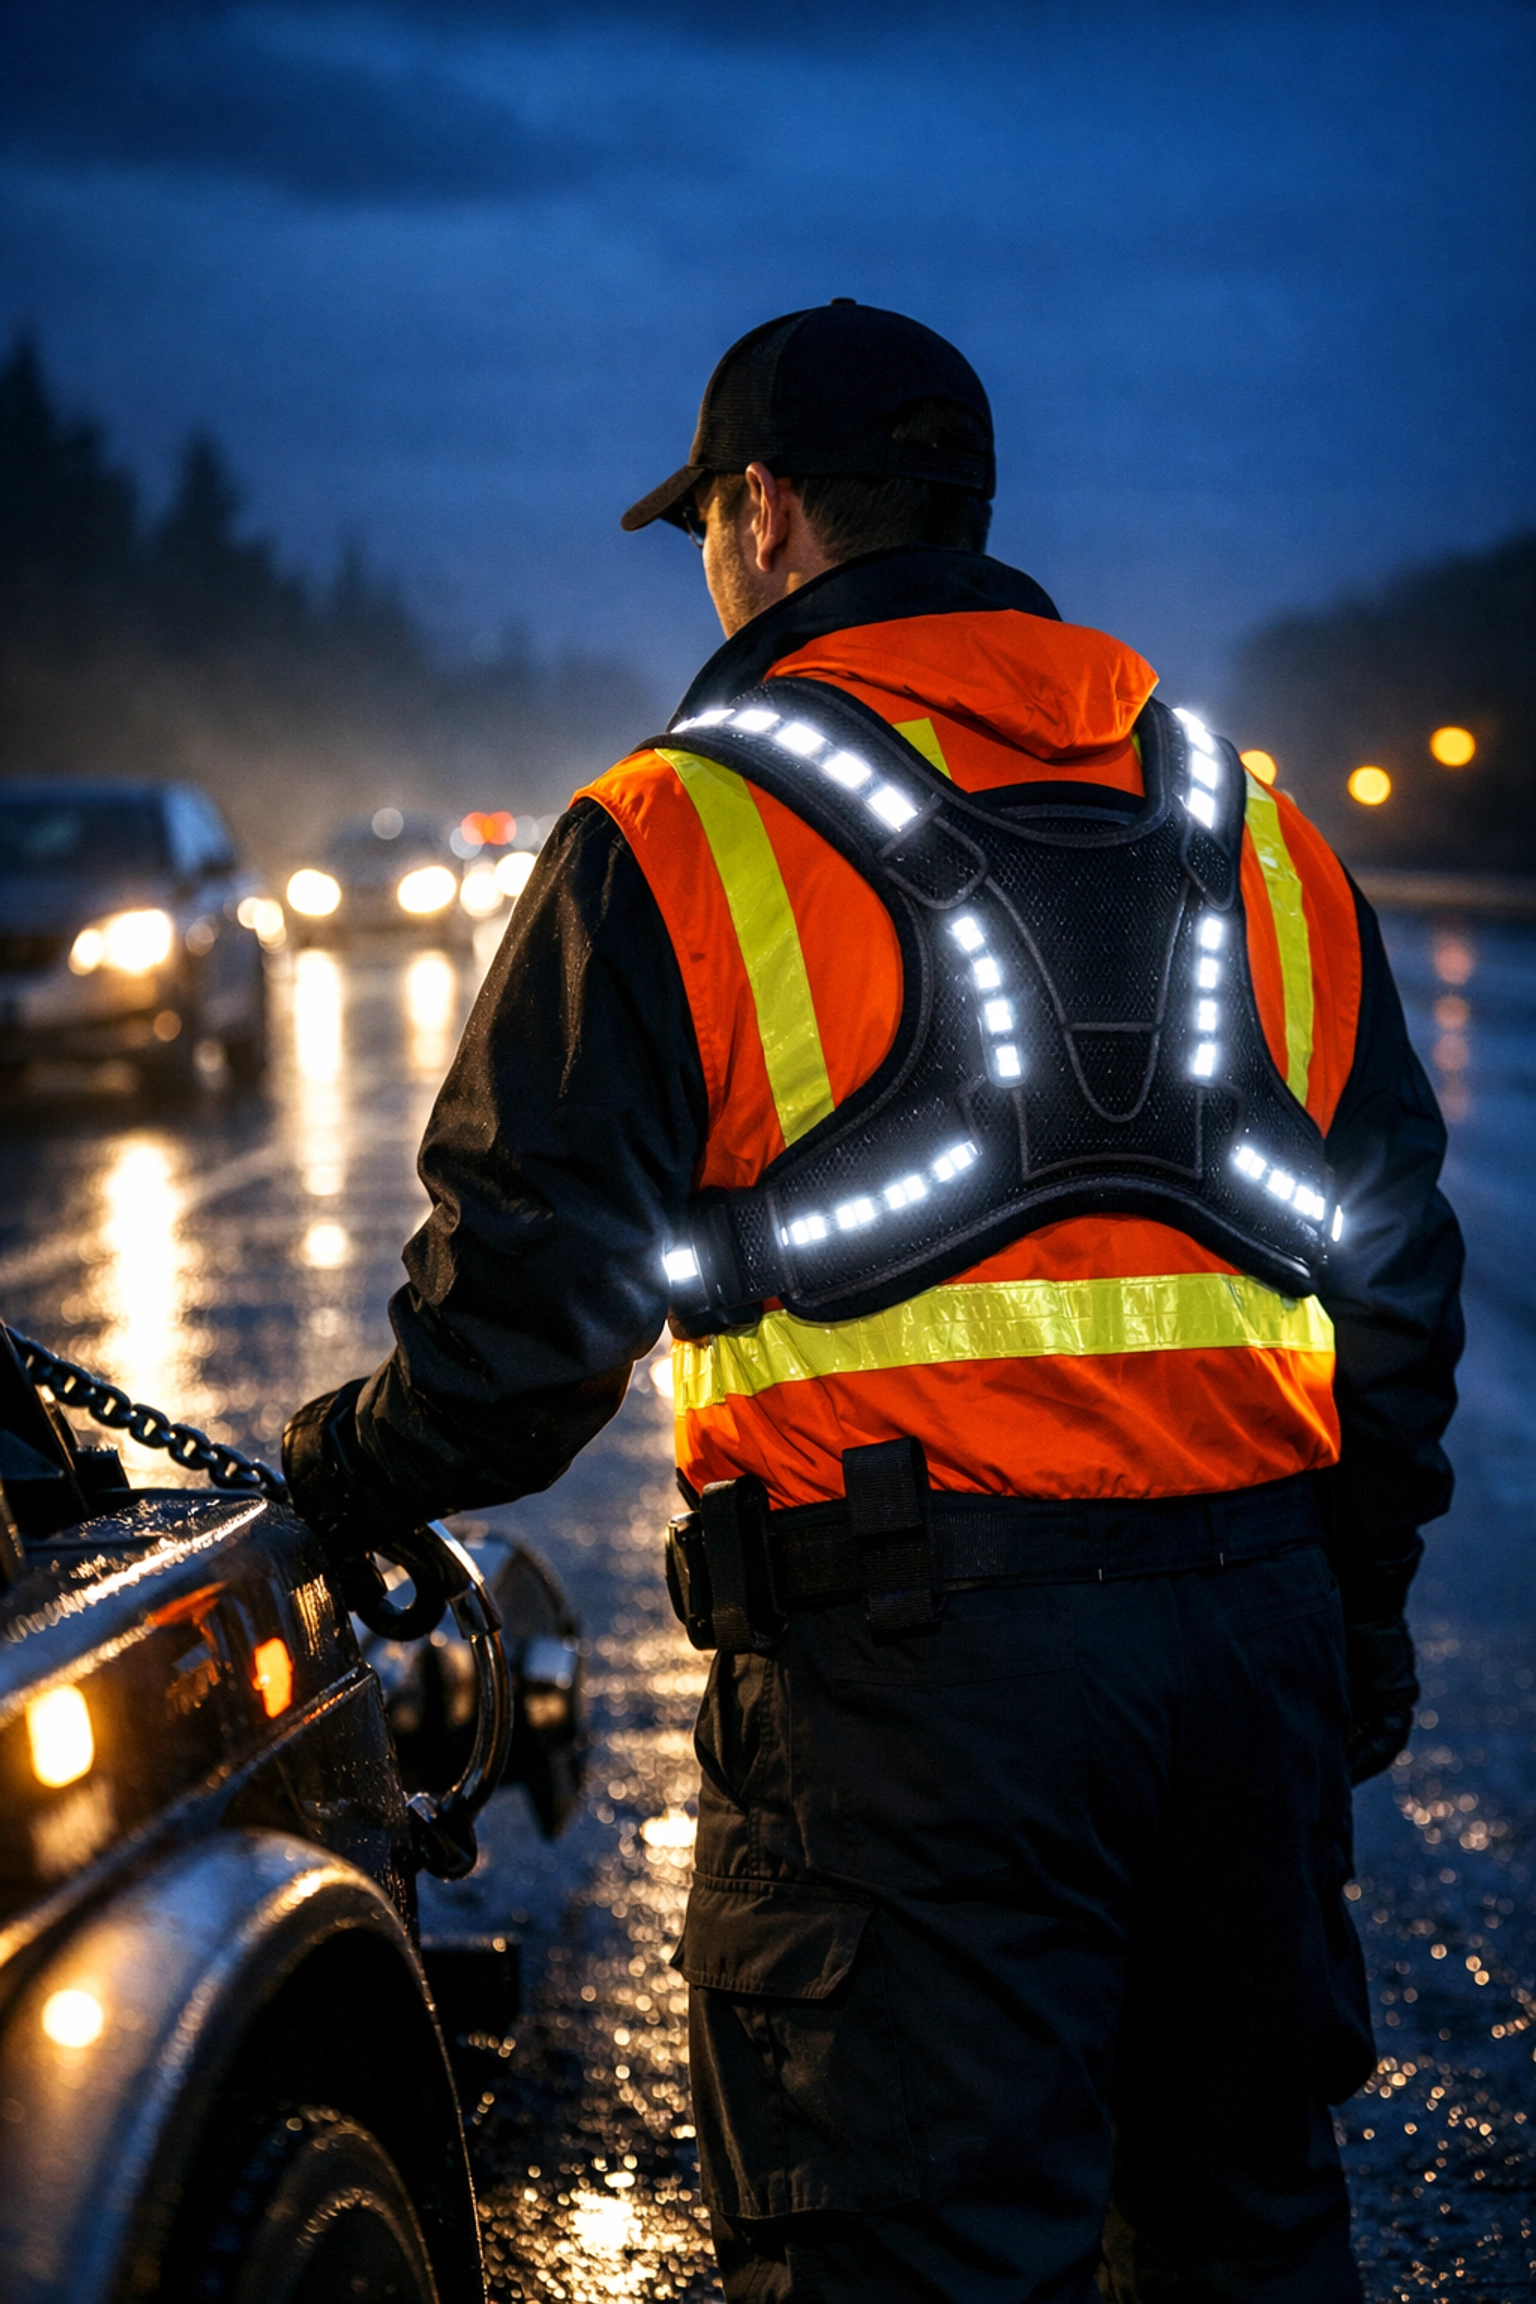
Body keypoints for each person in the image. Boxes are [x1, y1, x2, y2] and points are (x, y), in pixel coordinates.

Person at [283, 301, 1463, 2303]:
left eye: (714, 531)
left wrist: (329, 1480)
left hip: (912, 1709)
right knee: (1247, 2242)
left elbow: (513, 1342)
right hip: (1249, 1668)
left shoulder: (679, 829)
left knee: (919, 2262)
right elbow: (1398, 1290)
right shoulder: (1256, 829)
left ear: (763, 513)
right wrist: (1344, 1621)